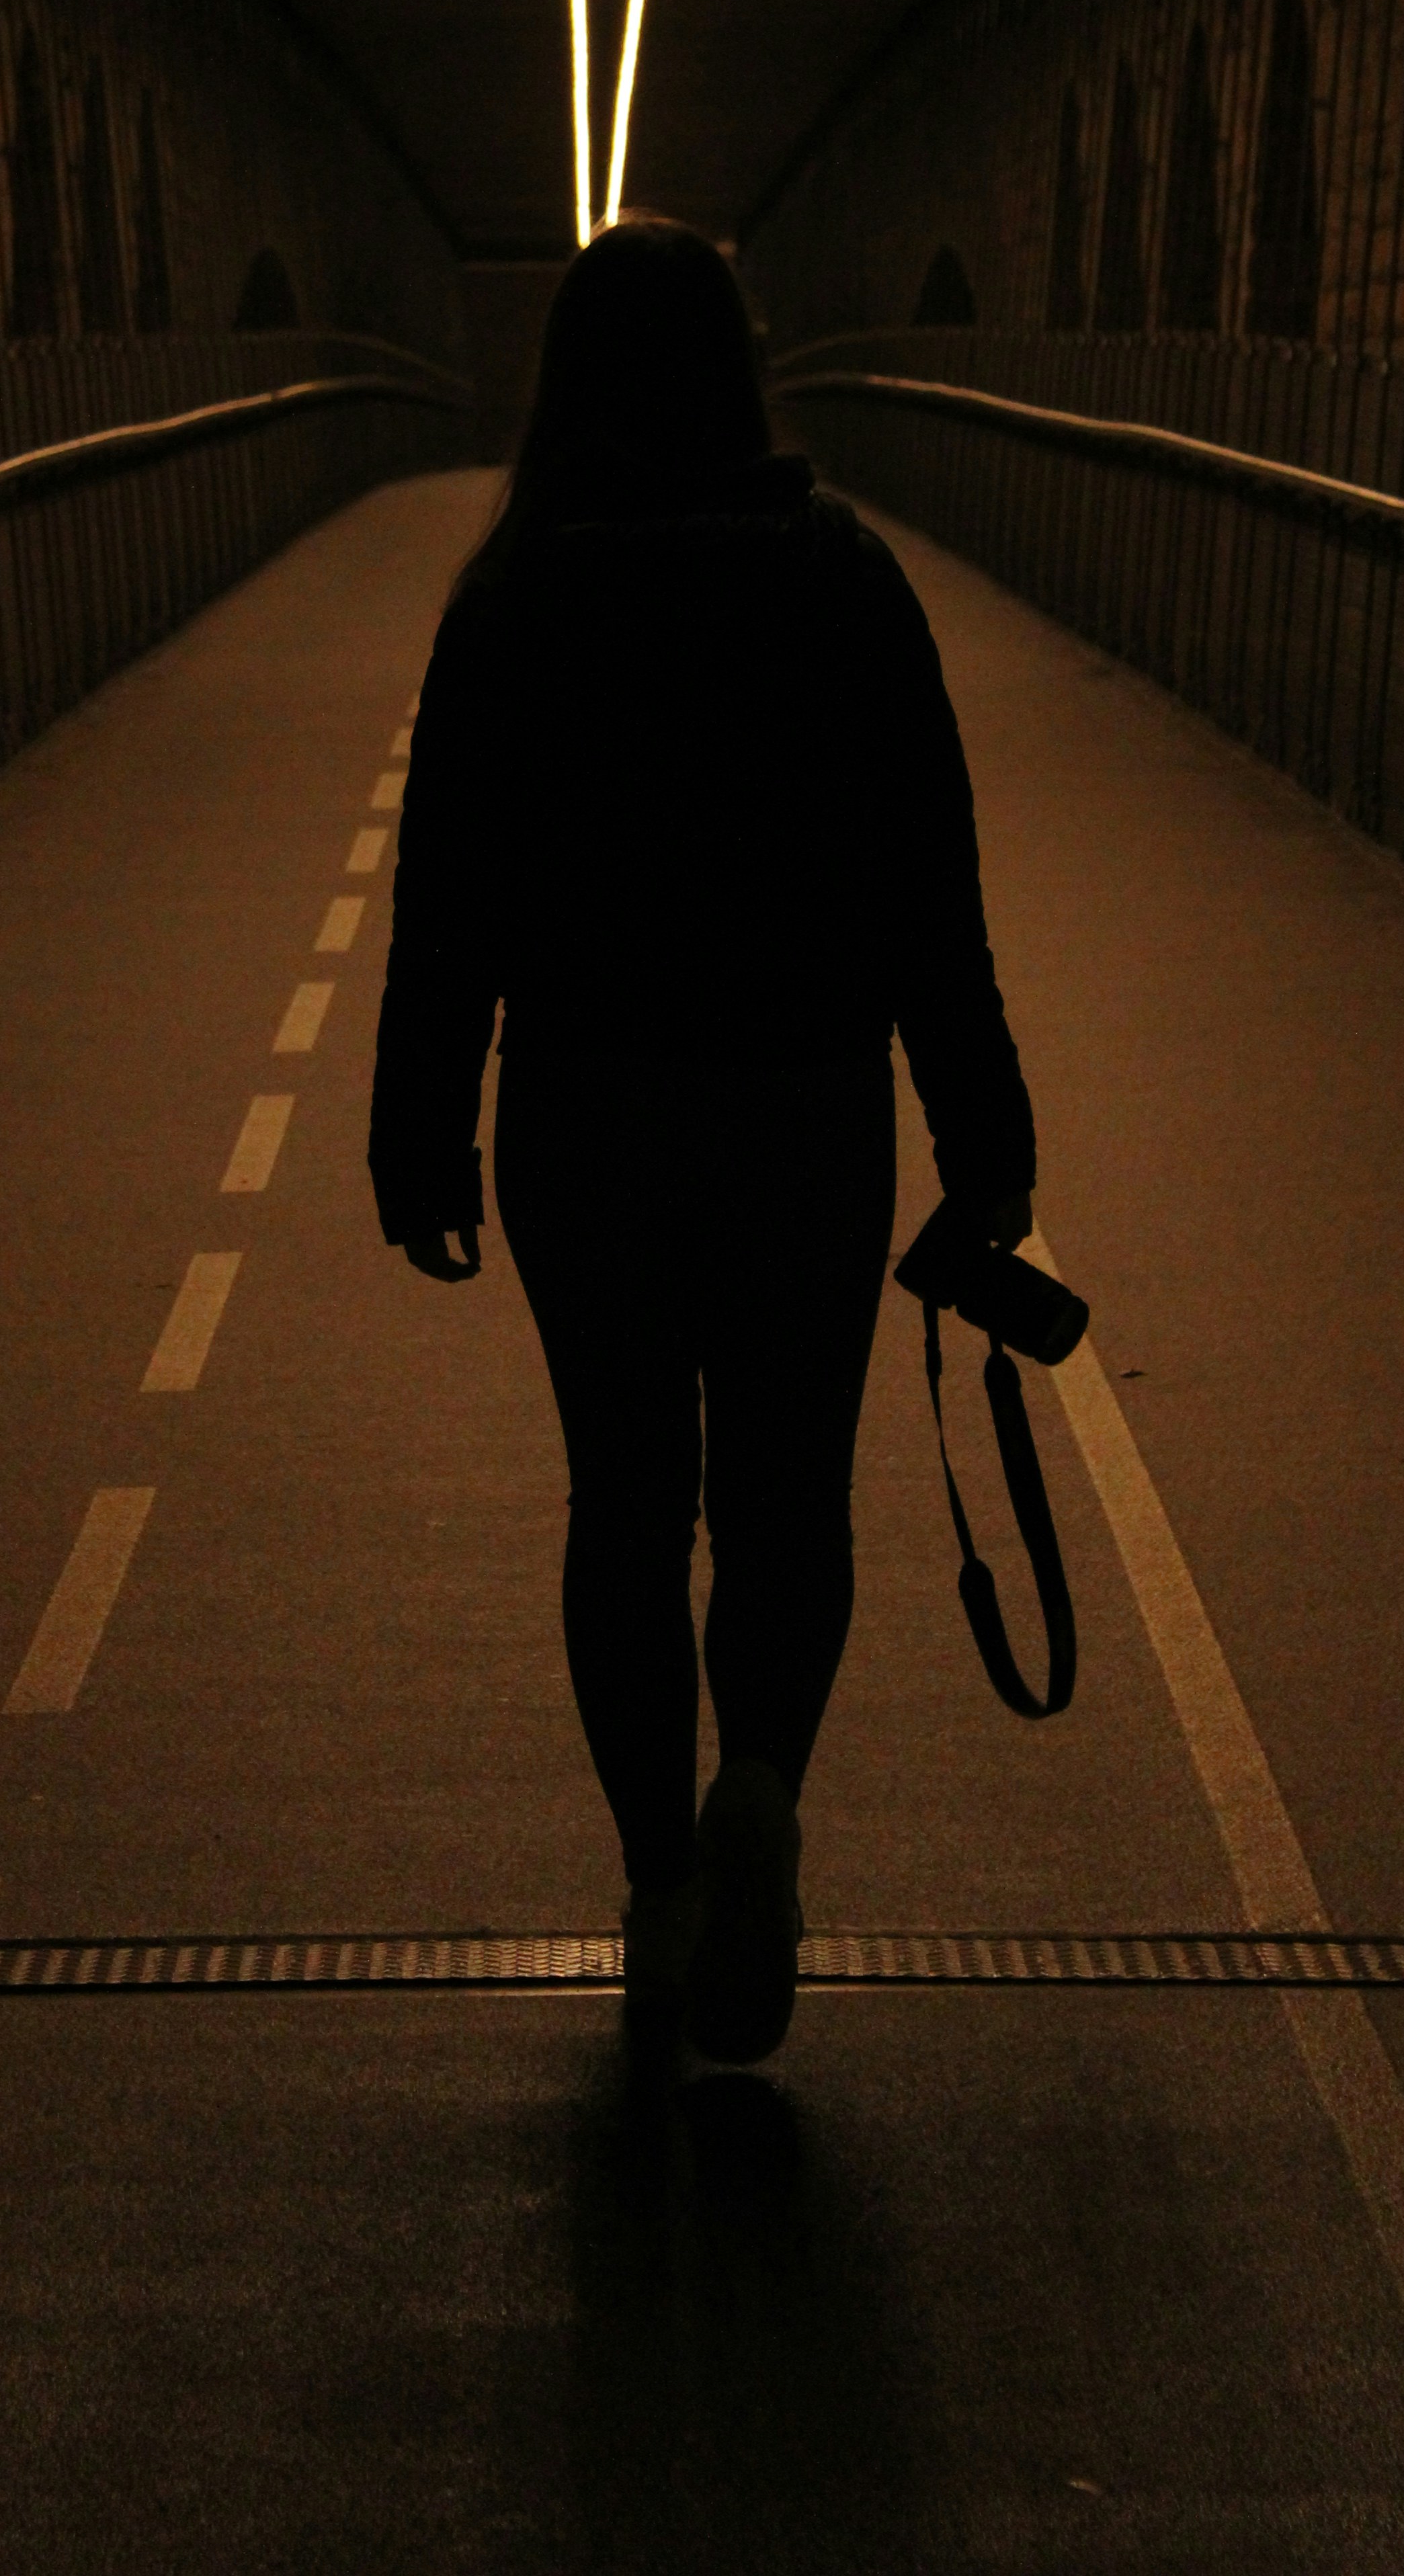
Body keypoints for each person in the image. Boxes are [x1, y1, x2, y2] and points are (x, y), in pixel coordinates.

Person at [368, 218, 1036, 2064]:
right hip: (804, 1106)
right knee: (788, 1498)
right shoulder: (844, 580)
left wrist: (419, 1134)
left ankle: (661, 1885)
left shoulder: (515, 601)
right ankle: (763, 1792)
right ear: (741, 370)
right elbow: (931, 889)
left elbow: (449, 904)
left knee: (626, 1504)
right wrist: (985, 1133)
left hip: (586, 1114)